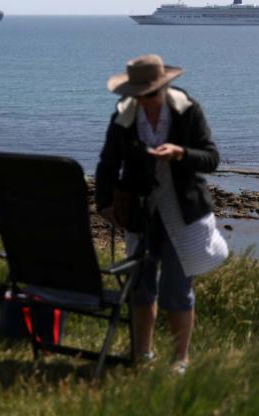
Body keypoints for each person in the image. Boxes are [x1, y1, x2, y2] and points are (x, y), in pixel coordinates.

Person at [95, 54, 228, 374]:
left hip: (182, 213)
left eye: (149, 94)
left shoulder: (188, 110)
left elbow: (211, 158)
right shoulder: (123, 115)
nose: (144, 101)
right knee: (140, 286)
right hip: (140, 213)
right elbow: (107, 163)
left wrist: (181, 154)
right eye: (137, 95)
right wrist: (105, 205)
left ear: (163, 88)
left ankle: (180, 360)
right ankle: (143, 354)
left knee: (177, 289)